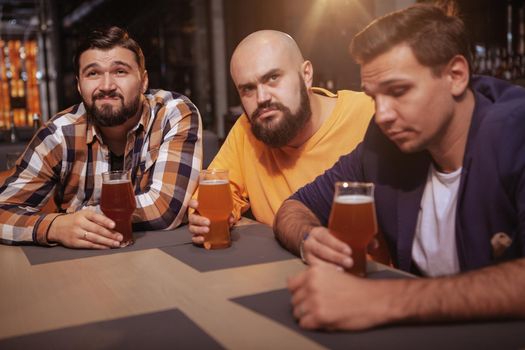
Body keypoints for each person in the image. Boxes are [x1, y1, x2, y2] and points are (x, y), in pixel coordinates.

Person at [274, 3, 525, 330]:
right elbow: (294, 207)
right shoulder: (384, 144)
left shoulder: (514, 131)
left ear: (456, 75)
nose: (383, 114)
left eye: (399, 91)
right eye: (374, 97)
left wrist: (383, 299)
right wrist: (310, 239)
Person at [0, 26, 202, 249]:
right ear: (79, 85)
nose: (106, 86)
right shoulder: (58, 133)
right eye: (93, 73)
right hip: (77, 266)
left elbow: (165, 208)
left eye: (120, 71)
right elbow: (3, 208)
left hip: (162, 257)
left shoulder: (172, 113)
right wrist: (55, 227)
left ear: (144, 81)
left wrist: (82, 218)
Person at [188, 30, 374, 248]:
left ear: (306, 75)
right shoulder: (247, 129)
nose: (262, 98)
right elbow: (216, 194)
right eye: (248, 88)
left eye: (273, 78)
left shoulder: (370, 112)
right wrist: (207, 217)